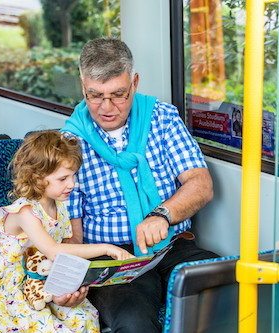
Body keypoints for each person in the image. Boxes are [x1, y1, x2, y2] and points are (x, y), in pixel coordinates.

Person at [60, 37, 219, 332]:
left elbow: (201, 183)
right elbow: (73, 233)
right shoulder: (69, 143)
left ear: (134, 82)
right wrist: (71, 281)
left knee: (230, 290)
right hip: (113, 257)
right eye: (95, 95)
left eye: (118, 94)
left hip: (173, 245)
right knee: (134, 323)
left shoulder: (163, 118)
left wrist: (163, 214)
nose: (106, 107)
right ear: (83, 85)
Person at [0, 130, 134, 332]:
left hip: (43, 280)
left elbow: (66, 248)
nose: (72, 184)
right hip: (9, 286)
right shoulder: (25, 212)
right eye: (63, 178)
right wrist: (107, 249)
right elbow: (54, 251)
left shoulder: (61, 207)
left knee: (84, 317)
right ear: (37, 178)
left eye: (74, 175)